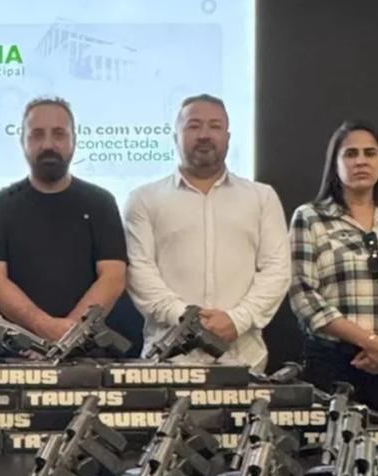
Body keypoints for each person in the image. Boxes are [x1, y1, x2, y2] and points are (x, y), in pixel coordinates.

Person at [124, 94, 290, 371]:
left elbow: (277, 270)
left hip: (244, 361)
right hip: (168, 362)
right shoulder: (143, 199)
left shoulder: (262, 197)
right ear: (175, 136)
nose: (204, 135)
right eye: (193, 126)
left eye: (214, 126)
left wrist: (237, 319)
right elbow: (139, 271)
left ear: (228, 137)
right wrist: (186, 319)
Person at [289, 120, 378, 411]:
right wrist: (370, 342)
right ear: (335, 165)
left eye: (370, 153)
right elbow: (303, 294)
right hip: (333, 364)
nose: (361, 161)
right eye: (350, 154)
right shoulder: (310, 217)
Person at [0, 97, 127, 340]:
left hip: (85, 347)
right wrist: (43, 326)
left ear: (74, 139)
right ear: (22, 141)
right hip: (17, 349)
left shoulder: (101, 202)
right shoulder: (1, 205)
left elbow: (113, 277)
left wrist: (70, 333)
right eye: (36, 134)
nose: (48, 144)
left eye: (59, 134)